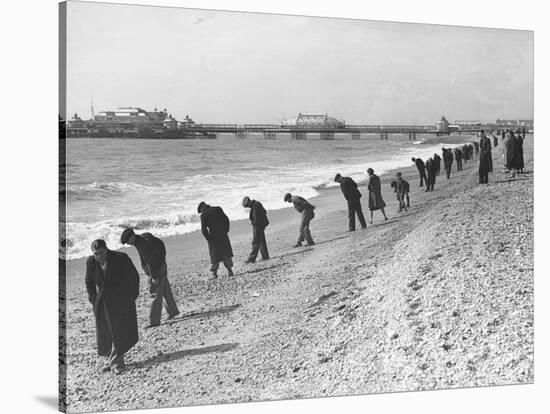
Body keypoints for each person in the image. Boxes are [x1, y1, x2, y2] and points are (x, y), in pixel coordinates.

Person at [85, 239, 140, 375]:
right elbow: (89, 282)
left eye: (102, 253)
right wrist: (93, 299)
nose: (99, 256)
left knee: (118, 331)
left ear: (107, 249)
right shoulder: (91, 262)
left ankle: (116, 363)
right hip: (102, 302)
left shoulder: (120, 258)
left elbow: (133, 277)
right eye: (96, 253)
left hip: (120, 301)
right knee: (106, 332)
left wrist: (130, 296)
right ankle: (112, 360)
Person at [120, 228, 179, 328]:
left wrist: (154, 276)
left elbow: (150, 261)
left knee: (155, 294)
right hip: (161, 265)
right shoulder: (145, 236)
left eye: (128, 241)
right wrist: (162, 259)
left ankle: (154, 321)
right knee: (165, 289)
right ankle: (172, 311)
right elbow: (160, 243)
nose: (128, 244)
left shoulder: (141, 245)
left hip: (156, 269)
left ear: (132, 236)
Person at [197, 202, 234, 279]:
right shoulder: (218, 209)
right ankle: (230, 271)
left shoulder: (203, 215)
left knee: (215, 256)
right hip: (222, 233)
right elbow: (226, 219)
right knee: (225, 253)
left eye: (201, 210)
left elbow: (204, 230)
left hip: (213, 236)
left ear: (202, 208)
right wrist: (226, 230)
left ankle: (214, 274)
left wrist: (208, 238)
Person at [242, 196, 270, 263]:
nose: (248, 207)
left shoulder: (255, 206)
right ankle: (265, 256)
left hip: (258, 226)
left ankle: (252, 258)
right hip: (262, 224)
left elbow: (256, 220)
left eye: (247, 206)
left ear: (249, 202)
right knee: (261, 240)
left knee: (255, 241)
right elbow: (264, 211)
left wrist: (253, 222)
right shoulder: (257, 203)